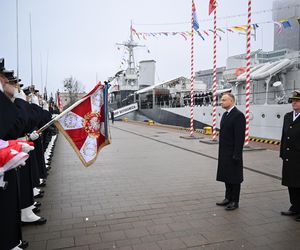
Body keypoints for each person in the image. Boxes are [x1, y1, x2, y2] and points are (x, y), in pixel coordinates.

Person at [216, 93, 246, 211]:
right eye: (221, 100)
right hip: (224, 152)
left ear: (231, 101)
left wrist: (237, 154)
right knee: (226, 176)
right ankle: (228, 197)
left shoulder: (238, 115)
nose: (221, 102)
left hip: (233, 153)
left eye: (224, 100)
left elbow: (240, 137)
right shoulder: (225, 114)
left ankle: (235, 201)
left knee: (235, 178)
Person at [280, 90, 300, 222]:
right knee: (291, 183)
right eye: (292, 100)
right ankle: (294, 207)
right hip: (289, 156)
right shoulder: (287, 116)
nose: (293, 103)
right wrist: (282, 153)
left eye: (297, 101)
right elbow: (283, 135)